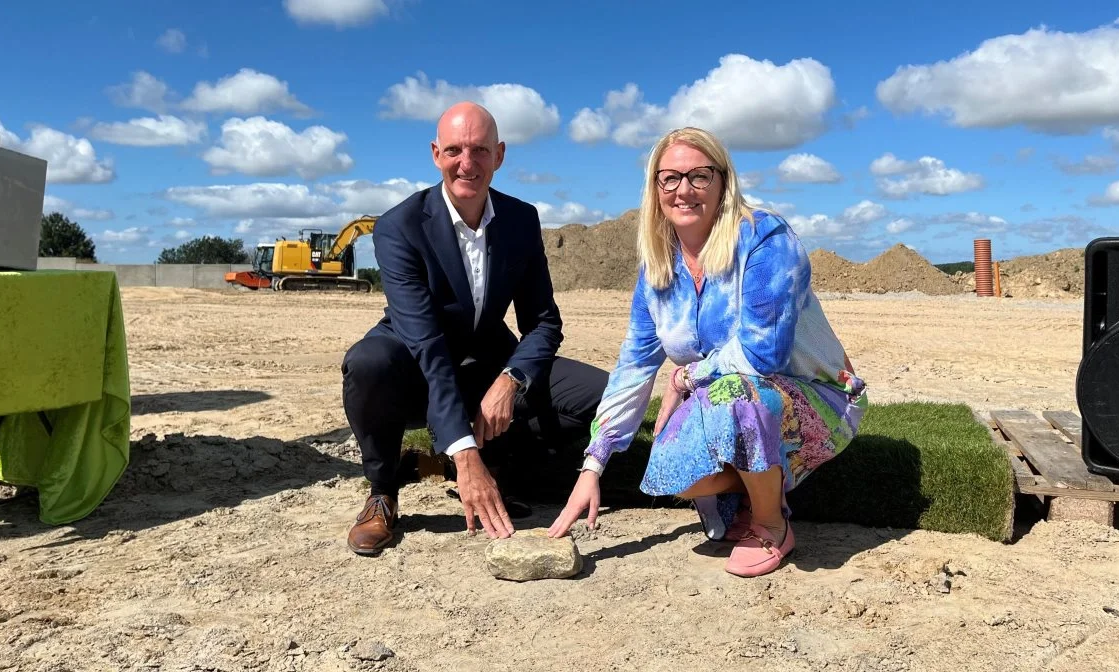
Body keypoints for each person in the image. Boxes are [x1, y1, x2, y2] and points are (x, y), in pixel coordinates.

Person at [547, 127, 867, 578]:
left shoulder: (765, 239)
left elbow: (764, 353)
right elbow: (634, 366)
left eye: (699, 176)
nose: (684, 190)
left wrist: (684, 379)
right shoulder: (658, 269)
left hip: (820, 396)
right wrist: (593, 464)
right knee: (670, 467)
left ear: (722, 181)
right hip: (731, 398)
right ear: (655, 188)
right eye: (670, 178)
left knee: (737, 394)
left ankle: (771, 523)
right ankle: (752, 487)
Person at [341, 101, 608, 556]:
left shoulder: (521, 219)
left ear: (499, 155)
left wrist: (511, 378)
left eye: (480, 150)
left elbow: (544, 322)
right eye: (454, 150)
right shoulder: (398, 226)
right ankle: (383, 491)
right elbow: (426, 343)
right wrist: (464, 452)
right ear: (435, 154)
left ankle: (506, 466)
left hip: (488, 360)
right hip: (413, 364)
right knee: (368, 364)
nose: (467, 163)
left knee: (602, 394)